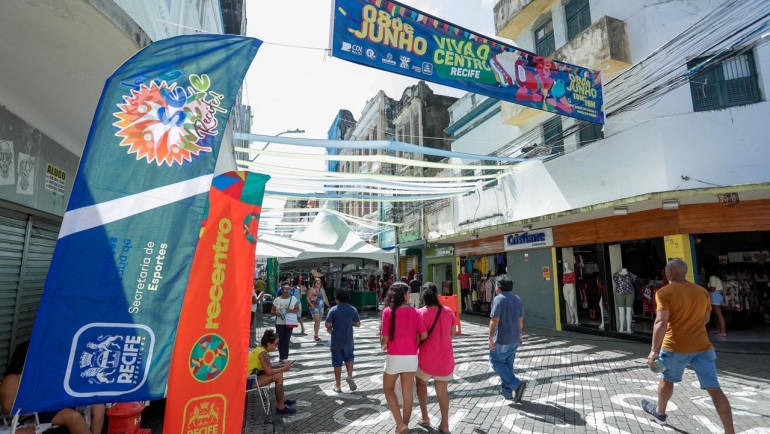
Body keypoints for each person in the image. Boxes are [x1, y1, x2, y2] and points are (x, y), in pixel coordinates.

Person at [643, 259, 734, 432]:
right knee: (715, 390)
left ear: (669, 273)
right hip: (703, 346)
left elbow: (661, 322)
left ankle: (660, 413)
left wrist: (653, 351)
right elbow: (706, 319)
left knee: (667, 380)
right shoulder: (702, 291)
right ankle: (730, 431)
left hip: (675, 347)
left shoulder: (664, 292)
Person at [0, 341, 105, 434]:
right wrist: (36, 402)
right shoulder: (13, 378)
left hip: (53, 407)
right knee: (73, 417)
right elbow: (7, 408)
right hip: (33, 414)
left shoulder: (41, 375)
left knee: (98, 405)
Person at [381, 283, 427, 434]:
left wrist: (383, 345)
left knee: (388, 388)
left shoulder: (388, 311)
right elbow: (424, 334)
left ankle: (400, 424)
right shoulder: (415, 312)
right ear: (403, 295)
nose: (410, 296)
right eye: (408, 293)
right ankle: (404, 424)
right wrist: (416, 342)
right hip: (411, 357)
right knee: (408, 393)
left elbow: (385, 338)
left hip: (394, 357)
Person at [416, 287, 455, 434]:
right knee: (442, 391)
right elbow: (452, 334)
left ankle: (425, 417)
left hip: (424, 359)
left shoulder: (420, 313)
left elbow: (418, 336)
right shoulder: (448, 311)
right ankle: (445, 424)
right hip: (444, 358)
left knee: (421, 385)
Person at [488, 275, 526, 402]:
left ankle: (517, 384)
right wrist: (520, 334)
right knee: (508, 365)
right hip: (515, 337)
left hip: (502, 338)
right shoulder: (517, 299)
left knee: (496, 362)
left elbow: (494, 320)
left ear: (499, 287)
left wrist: (490, 338)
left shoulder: (499, 299)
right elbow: (520, 319)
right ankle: (506, 392)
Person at [248, 329, 298, 415]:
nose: (277, 347)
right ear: (268, 343)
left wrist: (283, 366)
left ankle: (282, 400)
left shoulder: (261, 349)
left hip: (252, 377)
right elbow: (269, 372)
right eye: (276, 344)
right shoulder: (262, 353)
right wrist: (284, 368)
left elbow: (269, 368)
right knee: (278, 376)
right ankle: (280, 407)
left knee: (279, 373)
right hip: (249, 380)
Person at [325, 288, 361, 393]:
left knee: (337, 363)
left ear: (337, 299)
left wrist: (331, 326)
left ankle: (338, 386)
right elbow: (358, 324)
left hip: (336, 341)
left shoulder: (333, 310)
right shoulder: (353, 309)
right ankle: (349, 376)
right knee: (349, 358)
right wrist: (351, 324)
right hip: (349, 340)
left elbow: (327, 324)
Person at [272, 282, 300, 363]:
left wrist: (290, 310)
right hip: (279, 322)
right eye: (286, 289)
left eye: (289, 289)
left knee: (287, 339)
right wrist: (277, 313)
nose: (287, 291)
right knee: (280, 339)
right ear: (282, 290)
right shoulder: (277, 299)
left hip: (289, 322)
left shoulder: (293, 299)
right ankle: (281, 355)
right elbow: (272, 310)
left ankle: (285, 357)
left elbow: (297, 309)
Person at [706, 270, 726, 337]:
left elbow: (713, 288)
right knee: (716, 314)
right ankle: (718, 329)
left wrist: (706, 287)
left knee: (718, 314)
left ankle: (722, 331)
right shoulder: (716, 277)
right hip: (717, 295)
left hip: (715, 295)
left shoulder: (712, 278)